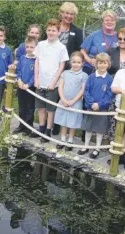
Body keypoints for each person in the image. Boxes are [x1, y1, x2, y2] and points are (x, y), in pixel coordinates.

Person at [32, 18, 69, 142]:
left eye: (54, 30)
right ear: (46, 31)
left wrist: (54, 82)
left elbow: (62, 66)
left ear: (58, 32)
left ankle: (48, 131)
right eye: (49, 30)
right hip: (40, 82)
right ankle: (41, 128)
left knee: (50, 109)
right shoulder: (41, 45)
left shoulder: (61, 47)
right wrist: (36, 79)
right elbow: (36, 62)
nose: (51, 32)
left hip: (53, 83)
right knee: (40, 108)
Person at [52, 1, 84, 136]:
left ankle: (60, 127)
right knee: (51, 98)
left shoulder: (77, 32)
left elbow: (78, 52)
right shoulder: (53, 27)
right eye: (66, 13)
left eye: (71, 14)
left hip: (67, 69)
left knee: (62, 96)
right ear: (61, 13)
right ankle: (51, 125)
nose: (68, 16)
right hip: (51, 66)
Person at [77, 53, 114, 159]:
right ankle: (86, 146)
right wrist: (91, 103)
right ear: (96, 64)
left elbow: (109, 95)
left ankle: (97, 148)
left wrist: (99, 105)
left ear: (108, 64)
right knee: (88, 128)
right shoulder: (91, 77)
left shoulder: (109, 79)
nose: (102, 65)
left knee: (99, 129)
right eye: (100, 63)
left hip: (102, 109)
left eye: (104, 63)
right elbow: (86, 90)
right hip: (90, 106)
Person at [104, 27, 125, 149]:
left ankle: (123, 150)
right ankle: (109, 146)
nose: (122, 41)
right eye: (120, 38)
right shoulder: (111, 51)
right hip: (113, 89)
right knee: (112, 119)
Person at [54, 51, 88, 151]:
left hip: (75, 102)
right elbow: (60, 87)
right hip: (63, 101)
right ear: (70, 62)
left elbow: (82, 90)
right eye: (74, 62)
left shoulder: (84, 75)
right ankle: (62, 139)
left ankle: (70, 140)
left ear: (83, 63)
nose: (76, 64)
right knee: (63, 121)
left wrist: (73, 101)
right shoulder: (65, 73)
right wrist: (63, 99)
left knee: (72, 122)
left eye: (78, 62)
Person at [80, 9, 118, 75]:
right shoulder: (94, 35)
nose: (109, 22)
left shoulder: (119, 37)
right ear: (102, 22)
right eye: (107, 20)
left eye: (112, 20)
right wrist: (89, 60)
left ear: (116, 22)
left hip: (110, 72)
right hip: (91, 70)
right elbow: (82, 51)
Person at [13, 36, 38, 135]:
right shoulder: (23, 58)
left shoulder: (36, 60)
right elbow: (18, 70)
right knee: (21, 106)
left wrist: (28, 84)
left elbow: (36, 74)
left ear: (36, 48)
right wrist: (19, 80)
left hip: (30, 87)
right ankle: (21, 125)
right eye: (27, 47)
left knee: (30, 107)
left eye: (32, 47)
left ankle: (28, 127)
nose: (29, 49)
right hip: (20, 86)